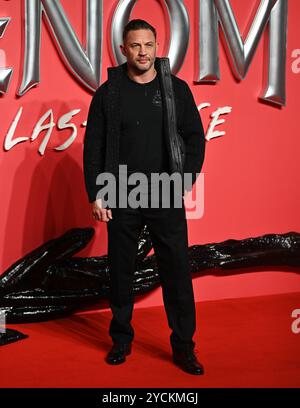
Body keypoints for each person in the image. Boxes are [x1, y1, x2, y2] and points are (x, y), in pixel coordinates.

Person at [83, 19, 206, 375]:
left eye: (148, 45)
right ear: (123, 50)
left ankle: (184, 346)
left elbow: (195, 139)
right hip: (121, 191)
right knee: (121, 271)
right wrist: (98, 193)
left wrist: (182, 183)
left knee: (177, 272)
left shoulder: (176, 90)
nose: (142, 52)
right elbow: (94, 148)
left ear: (157, 46)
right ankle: (121, 340)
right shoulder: (108, 93)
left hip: (165, 193)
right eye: (135, 46)